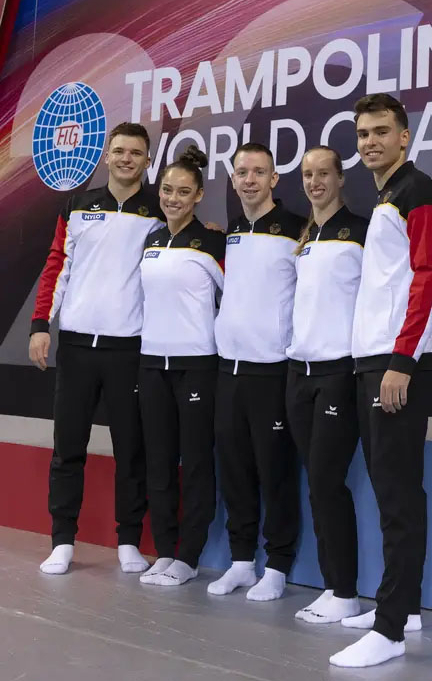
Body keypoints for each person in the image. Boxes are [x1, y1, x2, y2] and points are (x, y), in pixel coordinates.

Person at [331, 94, 432, 668]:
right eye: (362, 134)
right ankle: (404, 608)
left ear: (405, 136)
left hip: (395, 362)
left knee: (398, 494)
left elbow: (428, 276)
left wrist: (402, 361)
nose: (370, 141)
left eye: (382, 131)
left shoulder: (415, 189)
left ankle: (389, 629)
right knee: (388, 489)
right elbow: (405, 278)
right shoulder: (387, 196)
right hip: (372, 358)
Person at [31, 122, 164, 576]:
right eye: (120, 151)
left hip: (130, 350)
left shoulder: (159, 211)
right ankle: (62, 541)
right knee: (68, 447)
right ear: (107, 157)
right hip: (77, 348)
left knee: (132, 449)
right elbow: (56, 266)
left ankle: (129, 540)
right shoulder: (78, 204)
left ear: (149, 161)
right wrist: (38, 325)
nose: (127, 159)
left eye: (136, 153)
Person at [206, 143, 303, 602]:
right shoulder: (229, 232)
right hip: (229, 371)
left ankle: (278, 566)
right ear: (232, 178)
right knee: (236, 471)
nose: (249, 179)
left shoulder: (298, 231)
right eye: (241, 172)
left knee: (275, 472)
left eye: (258, 172)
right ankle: (242, 562)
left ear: (274, 179)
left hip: (273, 372)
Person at [285, 146, 368, 623]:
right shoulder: (305, 235)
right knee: (317, 484)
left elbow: (390, 281)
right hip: (300, 373)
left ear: (340, 179)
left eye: (323, 174)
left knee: (325, 481)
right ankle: (333, 586)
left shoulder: (360, 231)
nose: (315, 182)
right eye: (308, 175)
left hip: (339, 374)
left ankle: (345, 592)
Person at [136, 145, 224, 587]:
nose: (172, 198)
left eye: (183, 191)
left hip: (197, 367)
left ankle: (188, 556)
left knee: (195, 463)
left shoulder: (213, 242)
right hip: (151, 365)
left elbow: (241, 298)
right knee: (159, 463)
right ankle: (165, 552)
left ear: (198, 195)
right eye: (167, 189)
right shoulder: (151, 239)